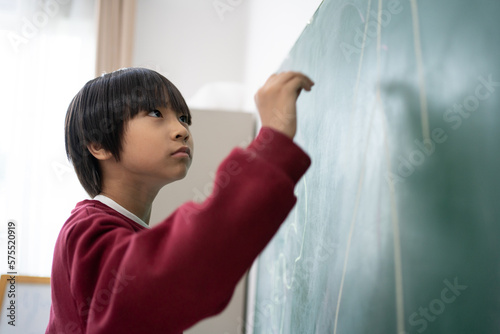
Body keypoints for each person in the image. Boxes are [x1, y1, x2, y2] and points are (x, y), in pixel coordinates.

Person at [46, 67, 314, 334]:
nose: (181, 130)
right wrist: (272, 143)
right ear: (98, 145)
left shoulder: (116, 230)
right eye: (155, 113)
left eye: (184, 118)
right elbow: (179, 265)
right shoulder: (85, 231)